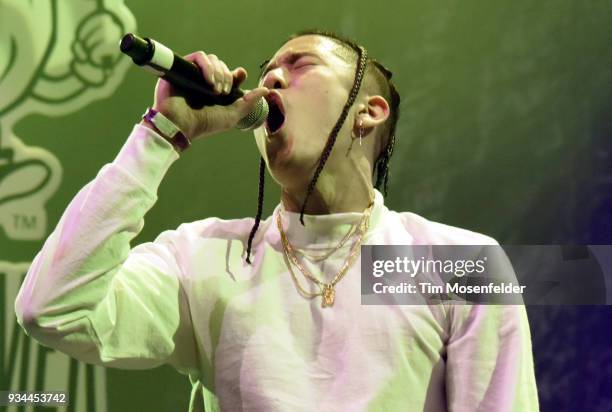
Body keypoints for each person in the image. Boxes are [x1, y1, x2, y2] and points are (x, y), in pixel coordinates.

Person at [15, 30, 540, 411]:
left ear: (369, 111)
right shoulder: (202, 257)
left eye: (300, 64)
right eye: (267, 70)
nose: (271, 78)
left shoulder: (459, 263)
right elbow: (51, 309)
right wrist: (159, 136)